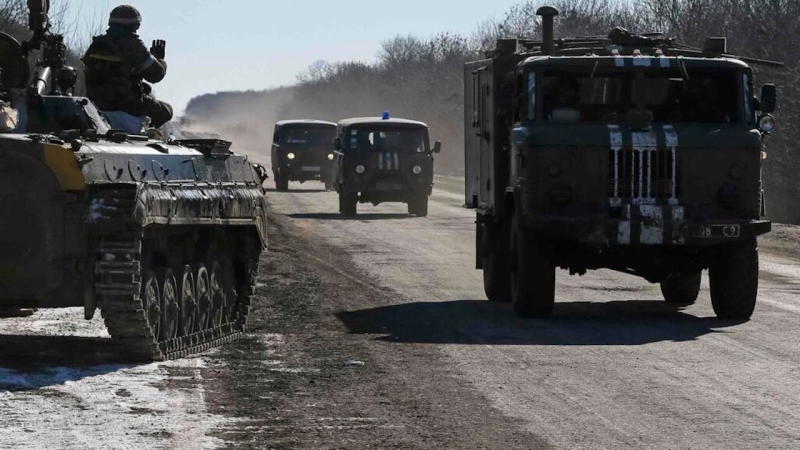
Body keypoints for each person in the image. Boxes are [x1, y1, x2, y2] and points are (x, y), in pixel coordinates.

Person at [83, 5, 173, 128]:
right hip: (128, 105)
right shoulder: (133, 44)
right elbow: (155, 75)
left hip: (95, 105)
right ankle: (145, 133)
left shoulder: (97, 44)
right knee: (167, 110)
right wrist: (159, 59)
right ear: (135, 25)